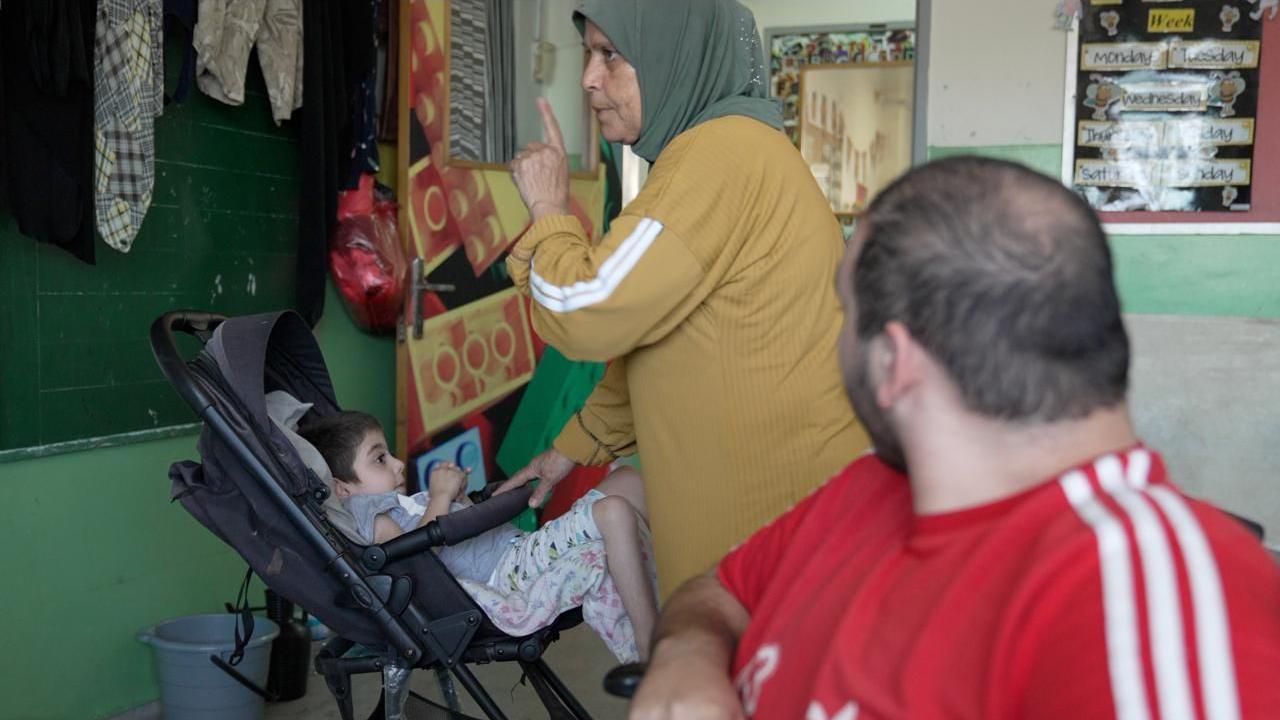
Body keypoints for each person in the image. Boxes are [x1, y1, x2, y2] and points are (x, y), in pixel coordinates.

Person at [630, 157, 1280, 718]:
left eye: (844, 316)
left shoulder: (1138, 594)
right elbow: (719, 589)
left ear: (894, 362)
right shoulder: (871, 486)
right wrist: (687, 656)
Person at [499, 0, 868, 596]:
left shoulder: (716, 157)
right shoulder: (733, 151)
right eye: (590, 54)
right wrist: (569, 448)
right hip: (782, 521)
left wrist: (547, 209)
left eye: (610, 55)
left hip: (765, 529)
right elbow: (667, 339)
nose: (590, 78)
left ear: (676, 58)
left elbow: (585, 309)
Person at [299, 411, 658, 661]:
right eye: (379, 459)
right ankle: (650, 649)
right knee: (613, 512)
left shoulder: (400, 504)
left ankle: (669, 606)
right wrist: (439, 496)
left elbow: (459, 535)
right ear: (341, 489)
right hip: (509, 574)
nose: (397, 464)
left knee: (628, 481)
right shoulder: (367, 516)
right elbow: (414, 564)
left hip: (518, 552)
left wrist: (460, 500)